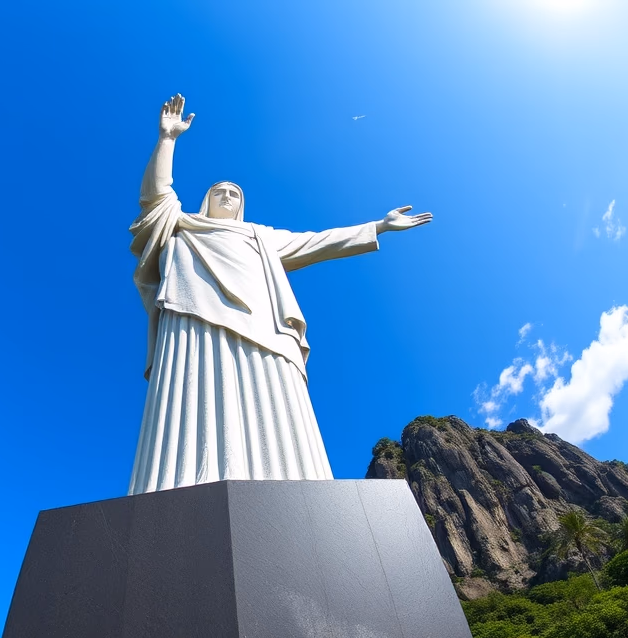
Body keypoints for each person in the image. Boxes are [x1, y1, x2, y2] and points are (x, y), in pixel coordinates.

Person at [128, 94, 433, 494]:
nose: (227, 196)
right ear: (206, 199)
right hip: (192, 322)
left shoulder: (261, 237)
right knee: (193, 404)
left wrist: (378, 226)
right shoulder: (181, 226)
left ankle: (295, 488)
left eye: (235, 194)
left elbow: (319, 241)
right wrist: (167, 139)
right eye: (219, 191)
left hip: (264, 329)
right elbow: (156, 196)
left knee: (273, 410)